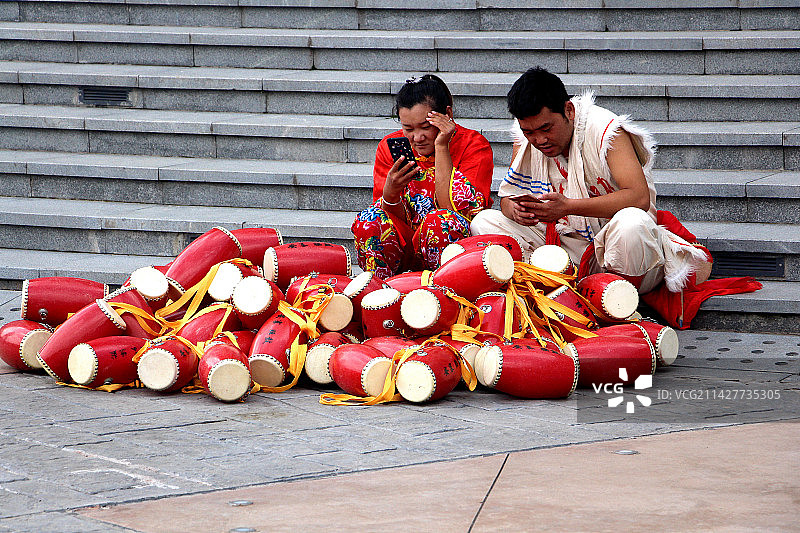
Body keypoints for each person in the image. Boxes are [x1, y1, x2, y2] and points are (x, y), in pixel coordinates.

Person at [470, 67, 711, 295]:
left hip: (618, 249)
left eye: (546, 128)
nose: (539, 140)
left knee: (632, 224)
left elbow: (639, 197)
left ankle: (616, 296)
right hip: (565, 246)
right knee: (484, 222)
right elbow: (507, 198)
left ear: (569, 110)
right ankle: (550, 283)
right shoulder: (524, 138)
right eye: (530, 132)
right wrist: (515, 211)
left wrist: (568, 207)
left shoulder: (606, 130)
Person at [352, 74, 494, 279]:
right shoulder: (390, 146)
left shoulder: (473, 145)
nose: (417, 138)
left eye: (426, 127)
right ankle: (380, 290)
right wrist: (391, 195)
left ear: (447, 114)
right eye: (408, 129)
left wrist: (442, 146)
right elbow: (387, 219)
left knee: (439, 221)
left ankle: (443, 290)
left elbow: (455, 211)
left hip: (456, 245)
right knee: (368, 220)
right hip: (408, 243)